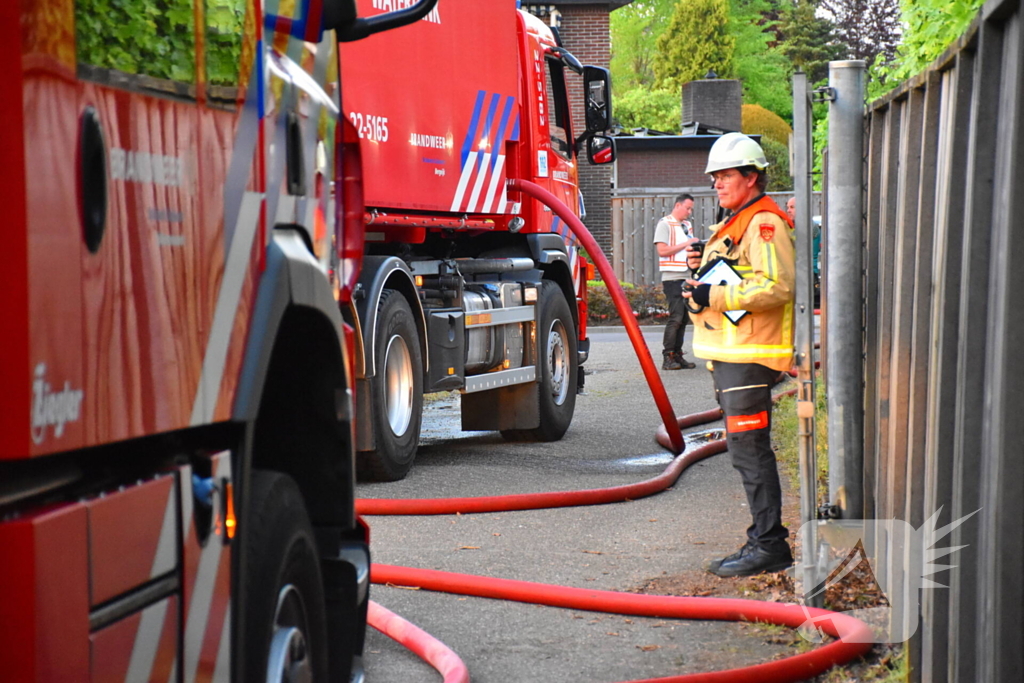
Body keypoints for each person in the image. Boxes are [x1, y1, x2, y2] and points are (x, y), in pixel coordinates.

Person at [682, 133, 796, 577]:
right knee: (743, 449)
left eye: (725, 175)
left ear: (751, 177)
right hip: (734, 355)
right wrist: (700, 283)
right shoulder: (738, 220)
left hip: (750, 355)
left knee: (749, 450)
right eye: (714, 177)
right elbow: (735, 281)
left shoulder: (763, 222)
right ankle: (763, 541)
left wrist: (715, 293)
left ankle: (769, 546)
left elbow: (777, 285)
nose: (716, 184)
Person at [653, 193, 699, 370]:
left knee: (684, 317)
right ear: (677, 206)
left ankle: (677, 355)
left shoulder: (686, 225)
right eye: (687, 208)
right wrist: (687, 244)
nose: (689, 212)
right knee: (676, 316)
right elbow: (662, 250)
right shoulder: (665, 224)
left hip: (686, 275)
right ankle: (668, 356)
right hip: (672, 277)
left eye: (691, 209)